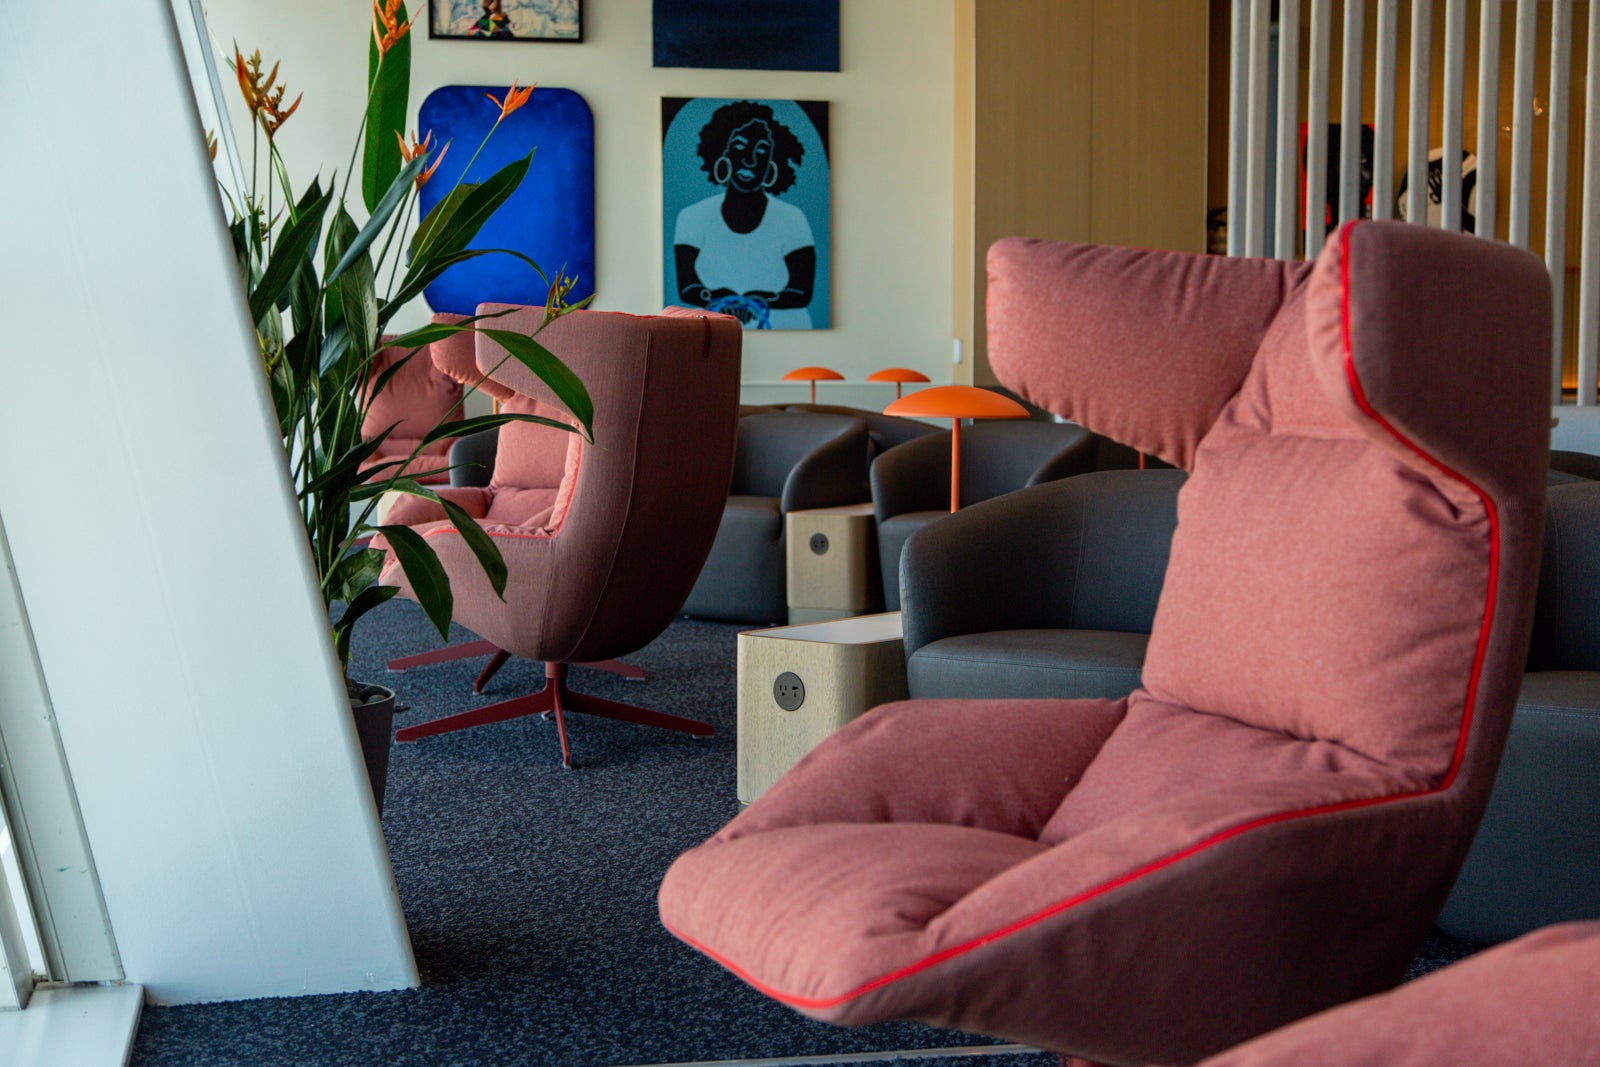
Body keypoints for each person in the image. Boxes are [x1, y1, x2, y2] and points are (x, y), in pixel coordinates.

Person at [673, 101, 816, 329]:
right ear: (723, 154)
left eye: (761, 152)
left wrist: (763, 301)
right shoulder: (692, 217)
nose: (750, 160)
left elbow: (801, 291)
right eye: (739, 147)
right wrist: (714, 297)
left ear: (771, 166)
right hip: (709, 335)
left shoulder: (792, 218)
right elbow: (687, 287)